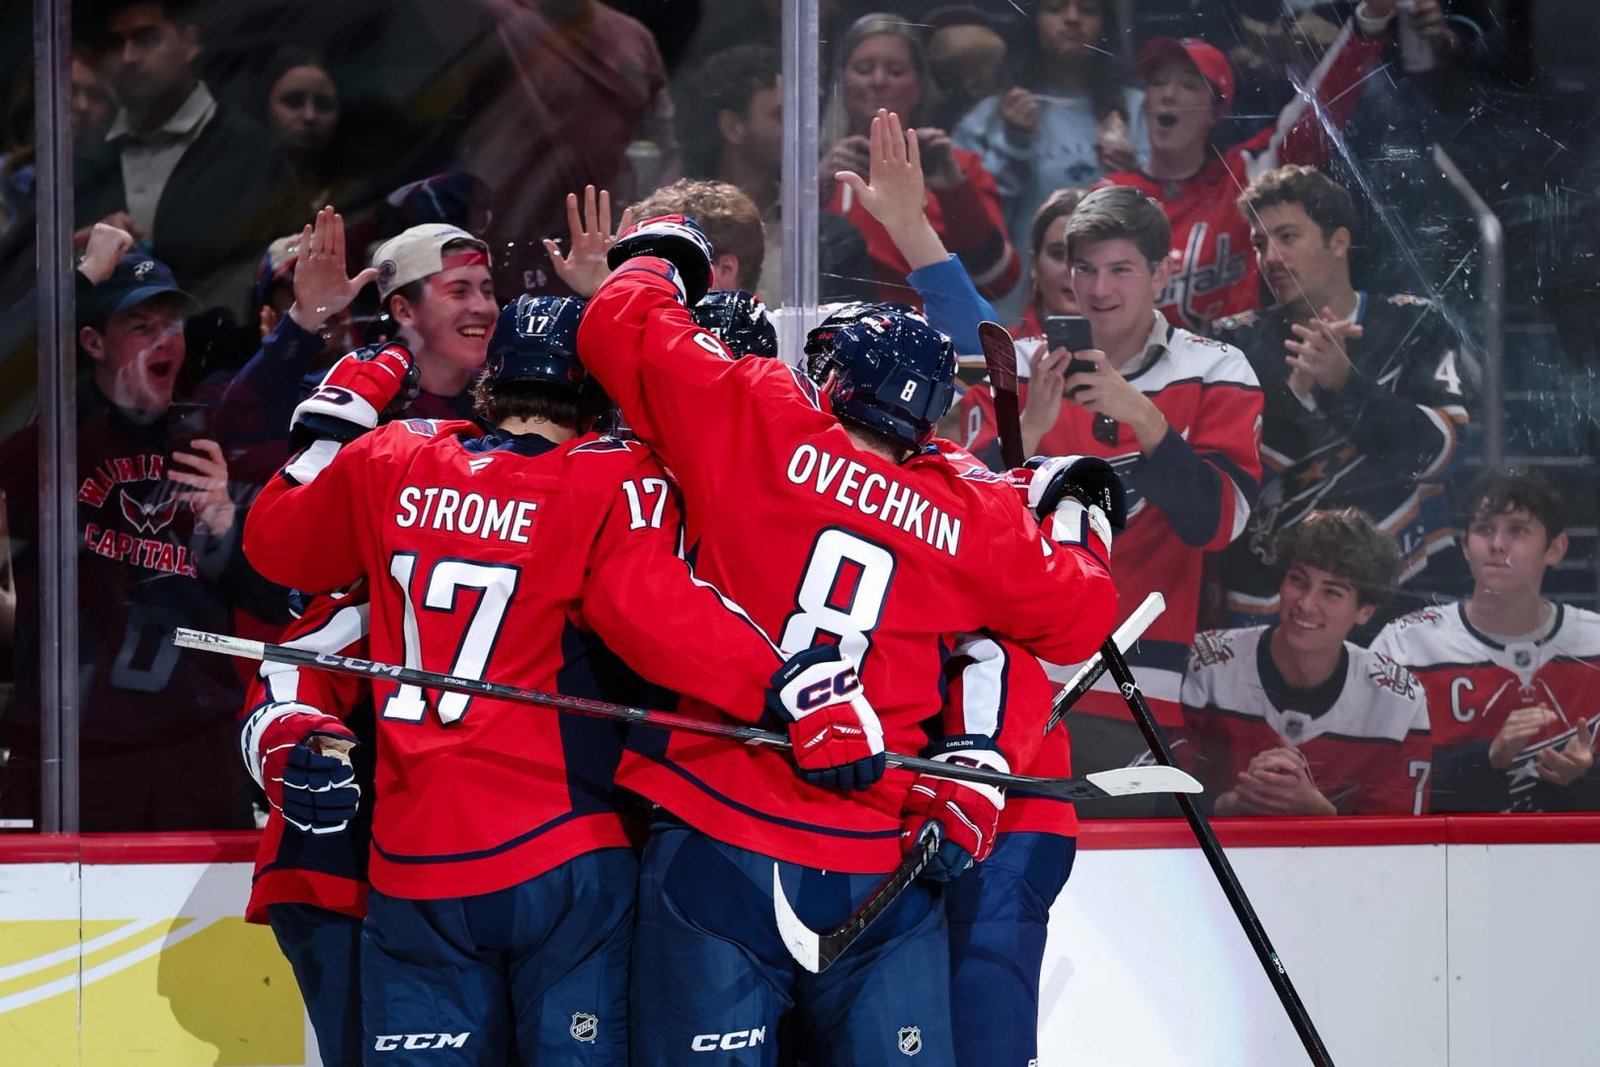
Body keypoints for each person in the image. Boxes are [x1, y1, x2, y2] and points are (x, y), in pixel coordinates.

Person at [244, 294, 863, 1062]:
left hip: (415, 865)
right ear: (596, 393)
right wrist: (790, 687)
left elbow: (277, 546)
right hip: (563, 856)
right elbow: (658, 613)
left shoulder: (392, 456)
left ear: (492, 379)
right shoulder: (611, 473)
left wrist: (329, 426)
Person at [580, 213, 1117, 1062]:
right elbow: (1080, 616)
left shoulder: (762, 415)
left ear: (830, 381)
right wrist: (1077, 515)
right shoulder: (973, 513)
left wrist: (660, 252)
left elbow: (620, 327)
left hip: (719, 825)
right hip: (875, 854)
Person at [958, 185, 1263, 807]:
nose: (1099, 289)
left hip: (1138, 684)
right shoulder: (1012, 366)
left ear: (1162, 272)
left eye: (1121, 269)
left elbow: (1219, 522)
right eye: (1085, 269)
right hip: (1009, 675)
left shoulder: (1217, 369)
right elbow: (952, 522)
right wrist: (1028, 430)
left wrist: (1145, 418)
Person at [0, 235, 281, 831]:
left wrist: (227, 523)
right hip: (78, 753)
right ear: (93, 343)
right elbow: (9, 366)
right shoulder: (49, 445)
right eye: (140, 325)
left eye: (172, 325)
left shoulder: (211, 436)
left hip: (199, 751)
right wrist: (77, 280)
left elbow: (270, 600)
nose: (163, 340)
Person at [1212, 165, 1475, 629]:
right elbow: (1223, 489)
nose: (1270, 257)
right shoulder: (1233, 342)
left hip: (1399, 597)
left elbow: (1442, 455)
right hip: (1267, 605)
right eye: (1259, 243)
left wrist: (1344, 384)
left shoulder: (1416, 324)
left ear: (1338, 241)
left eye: (1287, 237)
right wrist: (1297, 395)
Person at [1100, 4, 1400, 331]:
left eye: (1189, 85)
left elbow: (1318, 108)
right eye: (1157, 83)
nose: (1168, 94)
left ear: (1216, 111)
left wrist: (1368, 24)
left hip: (1238, 358)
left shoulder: (1245, 172)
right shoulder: (1110, 194)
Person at [1179, 508, 1433, 816]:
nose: (1306, 603)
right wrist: (1230, 805)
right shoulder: (1205, 665)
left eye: (1331, 592)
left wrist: (1320, 816)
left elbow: (1404, 839)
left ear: (1366, 610)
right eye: (1298, 580)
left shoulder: (1399, 701)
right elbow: (1154, 802)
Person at [1371, 471, 1600, 813]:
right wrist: (1485, 761)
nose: (1497, 545)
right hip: (1445, 846)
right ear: (1465, 546)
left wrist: (1587, 780)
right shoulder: (1406, 645)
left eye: (1517, 530)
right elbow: (1372, 780)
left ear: (1555, 548)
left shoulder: (1595, 642)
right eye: (1484, 529)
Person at [76, 0, 298, 309]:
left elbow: (276, 278)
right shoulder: (84, 158)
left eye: (147, 38)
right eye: (115, 44)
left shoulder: (251, 153)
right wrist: (81, 252)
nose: (128, 57)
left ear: (189, 42)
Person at [239, 586, 373, 1067]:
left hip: (456, 882)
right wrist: (287, 735)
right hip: (333, 875)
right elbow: (288, 682)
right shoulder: (377, 597)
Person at [953, 0, 1144, 319]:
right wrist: (1012, 143)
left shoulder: (1141, 113)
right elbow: (970, 224)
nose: (1072, 19)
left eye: (1088, 9)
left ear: (1107, 24)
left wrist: (1134, 177)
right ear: (1032, 20)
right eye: (1055, 8)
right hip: (1016, 312)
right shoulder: (987, 120)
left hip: (1119, 308)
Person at [821, 13, 1020, 304]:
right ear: (841, 81)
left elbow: (999, 281)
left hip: (933, 328)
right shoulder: (814, 170)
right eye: (864, 69)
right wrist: (817, 185)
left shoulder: (959, 168)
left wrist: (955, 191)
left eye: (896, 71)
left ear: (919, 85)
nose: (878, 81)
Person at [674, 46, 784, 297]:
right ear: (733, 126)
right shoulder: (677, 225)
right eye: (780, 115)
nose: (798, 128)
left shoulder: (819, 229)